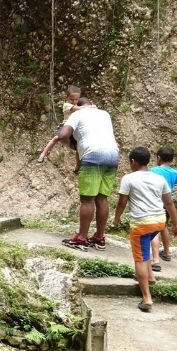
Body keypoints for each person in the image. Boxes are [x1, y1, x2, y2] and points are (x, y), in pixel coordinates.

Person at [112, 147, 177, 312]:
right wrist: (176, 224)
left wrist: (116, 219)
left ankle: (147, 299)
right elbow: (169, 203)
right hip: (159, 222)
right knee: (145, 249)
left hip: (141, 224)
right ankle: (150, 277)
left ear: (133, 162)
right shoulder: (159, 179)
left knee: (140, 259)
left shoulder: (128, 178)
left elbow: (122, 202)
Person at [58, 97, 119, 251]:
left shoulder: (77, 114)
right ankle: (99, 237)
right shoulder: (104, 114)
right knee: (102, 198)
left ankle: (81, 238)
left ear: (78, 106)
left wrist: (73, 146)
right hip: (112, 155)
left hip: (93, 156)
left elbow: (63, 135)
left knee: (87, 200)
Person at [149, 146, 177, 272]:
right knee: (163, 226)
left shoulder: (153, 170)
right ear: (171, 159)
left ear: (158, 158)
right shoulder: (175, 173)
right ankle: (167, 252)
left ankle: (155, 259)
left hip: (156, 202)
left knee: (154, 228)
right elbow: (175, 183)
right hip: (168, 203)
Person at [36, 86, 82, 168]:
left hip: (75, 128)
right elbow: (78, 108)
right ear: (67, 98)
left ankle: (77, 167)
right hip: (66, 125)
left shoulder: (78, 105)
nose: (74, 101)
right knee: (56, 138)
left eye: (76, 99)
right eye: (72, 99)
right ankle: (43, 154)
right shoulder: (67, 105)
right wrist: (91, 106)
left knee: (79, 147)